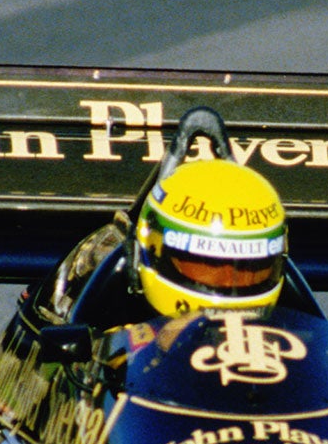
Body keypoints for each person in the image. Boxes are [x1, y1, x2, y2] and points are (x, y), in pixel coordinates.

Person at [36, 108, 288, 328]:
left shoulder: (293, 308)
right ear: (149, 251)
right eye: (205, 266)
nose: (227, 282)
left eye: (249, 271)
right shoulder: (106, 297)